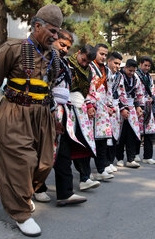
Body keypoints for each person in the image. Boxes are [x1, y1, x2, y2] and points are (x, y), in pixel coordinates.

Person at [0, 4, 62, 236]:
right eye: (52, 30)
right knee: (22, 161)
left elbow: (50, 88)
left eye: (58, 31)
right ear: (37, 26)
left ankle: (22, 192)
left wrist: (53, 115)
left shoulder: (54, 56)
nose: (56, 36)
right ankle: (20, 212)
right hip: (15, 112)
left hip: (42, 115)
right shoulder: (12, 49)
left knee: (44, 163)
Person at [51, 30, 92, 206]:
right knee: (39, 154)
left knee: (64, 151)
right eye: (62, 45)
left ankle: (65, 192)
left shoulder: (64, 64)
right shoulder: (43, 59)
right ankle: (35, 190)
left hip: (64, 112)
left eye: (67, 47)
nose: (65, 50)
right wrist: (51, 110)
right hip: (43, 112)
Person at [68, 45, 114, 183]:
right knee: (69, 145)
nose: (85, 63)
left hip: (88, 108)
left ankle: (89, 175)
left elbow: (93, 89)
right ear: (79, 52)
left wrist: (91, 105)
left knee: (90, 141)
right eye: (102, 53)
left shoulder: (96, 70)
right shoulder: (67, 64)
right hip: (67, 107)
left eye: (106, 54)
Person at [87, 43, 116, 176]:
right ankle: (86, 173)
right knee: (88, 139)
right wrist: (89, 104)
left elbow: (109, 89)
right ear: (95, 52)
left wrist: (110, 105)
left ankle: (101, 169)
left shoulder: (107, 71)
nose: (103, 57)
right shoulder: (89, 66)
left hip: (103, 107)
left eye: (105, 54)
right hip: (90, 106)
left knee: (103, 139)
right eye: (101, 54)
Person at [116, 59, 144, 168]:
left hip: (132, 108)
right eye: (130, 70)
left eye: (133, 71)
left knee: (131, 135)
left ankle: (130, 159)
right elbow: (116, 92)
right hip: (120, 107)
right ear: (125, 67)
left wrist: (138, 107)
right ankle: (119, 158)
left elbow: (138, 93)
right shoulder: (119, 76)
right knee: (120, 135)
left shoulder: (135, 78)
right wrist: (122, 107)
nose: (131, 73)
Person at [106, 52, 129, 171]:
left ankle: (109, 161)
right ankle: (103, 163)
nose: (117, 66)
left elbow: (122, 93)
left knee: (115, 135)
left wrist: (124, 108)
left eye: (119, 64)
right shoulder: (102, 72)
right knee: (104, 135)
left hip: (115, 108)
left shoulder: (119, 76)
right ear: (109, 61)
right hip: (103, 107)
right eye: (115, 63)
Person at [135, 56, 155, 165]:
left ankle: (148, 156)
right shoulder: (135, 75)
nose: (147, 68)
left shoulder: (149, 77)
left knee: (149, 132)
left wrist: (152, 98)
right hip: (138, 106)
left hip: (148, 107)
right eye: (145, 65)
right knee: (137, 132)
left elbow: (152, 91)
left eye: (149, 66)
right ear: (140, 64)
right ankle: (135, 154)